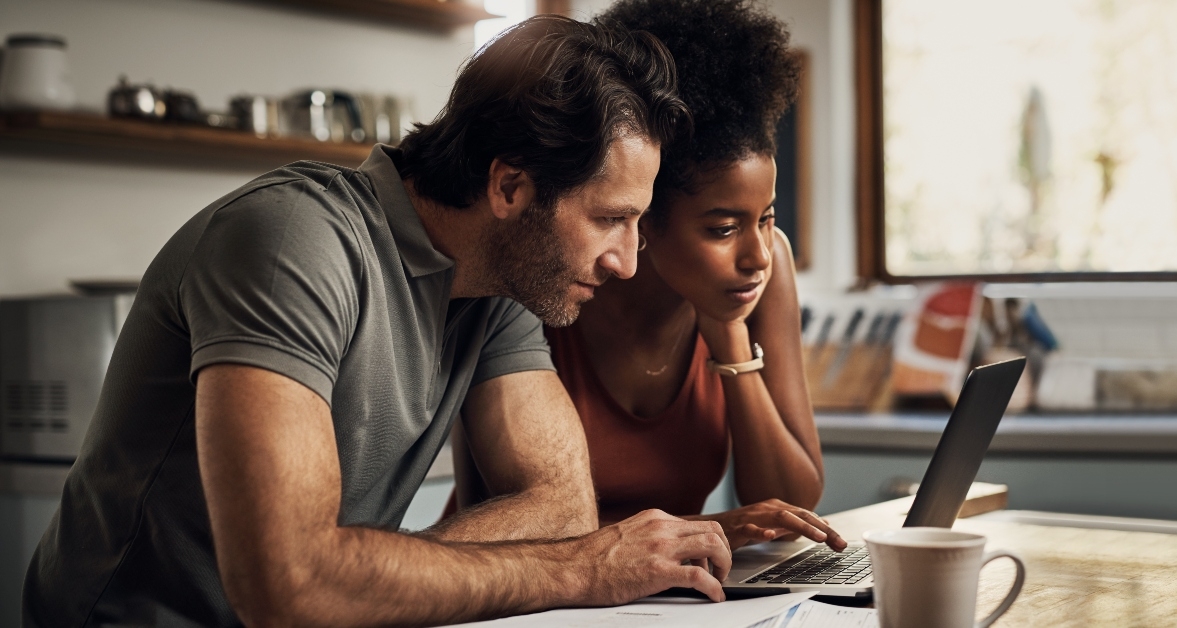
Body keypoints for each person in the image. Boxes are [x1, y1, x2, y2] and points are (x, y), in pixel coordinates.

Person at [23, 16, 737, 628]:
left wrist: (370, 578)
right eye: (611, 219)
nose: (628, 262)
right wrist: (581, 572)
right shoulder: (291, 241)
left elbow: (561, 505)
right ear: (510, 186)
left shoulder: (501, 286)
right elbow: (290, 585)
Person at [448, 0, 847, 553]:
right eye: (723, 228)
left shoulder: (758, 275)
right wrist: (701, 529)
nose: (758, 254)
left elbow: (793, 502)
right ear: (644, 214)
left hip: (658, 592)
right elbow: (494, 520)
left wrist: (728, 336)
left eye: (768, 216)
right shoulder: (545, 281)